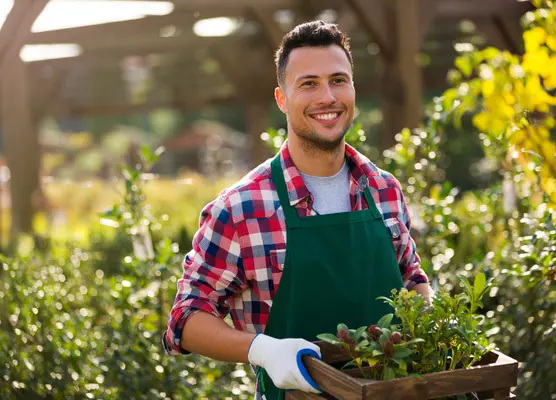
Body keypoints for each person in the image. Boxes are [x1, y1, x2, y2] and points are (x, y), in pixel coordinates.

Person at [162, 20, 432, 400]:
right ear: (282, 98)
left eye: (339, 80)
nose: (327, 97)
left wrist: (429, 331)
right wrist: (262, 350)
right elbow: (185, 319)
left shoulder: (384, 190)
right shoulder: (241, 208)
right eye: (309, 84)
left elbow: (412, 279)